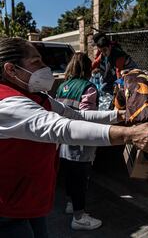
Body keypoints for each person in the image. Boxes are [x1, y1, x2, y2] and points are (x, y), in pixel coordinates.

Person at [0, 37, 148, 238]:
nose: (45, 67)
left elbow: (76, 115)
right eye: (36, 62)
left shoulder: (37, 96)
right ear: (11, 70)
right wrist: (130, 134)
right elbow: (61, 128)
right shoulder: (7, 103)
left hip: (28, 200)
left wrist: (120, 116)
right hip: (8, 208)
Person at [55, 52, 103, 230]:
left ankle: (70, 204)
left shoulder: (63, 86)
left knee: (69, 175)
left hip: (64, 138)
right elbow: (87, 117)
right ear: (87, 68)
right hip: (81, 141)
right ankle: (79, 217)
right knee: (80, 179)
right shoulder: (88, 87)